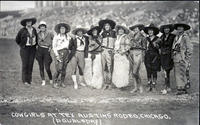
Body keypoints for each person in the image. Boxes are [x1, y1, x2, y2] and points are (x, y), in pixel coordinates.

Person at [15, 17, 38, 86]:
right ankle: (25, 81)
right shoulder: (22, 30)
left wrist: (35, 45)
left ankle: (29, 80)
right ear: (25, 23)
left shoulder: (34, 29)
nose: (29, 23)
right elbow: (17, 39)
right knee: (25, 64)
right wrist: (22, 45)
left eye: (30, 22)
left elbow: (36, 38)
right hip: (25, 49)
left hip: (33, 49)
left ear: (31, 23)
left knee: (30, 64)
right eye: (27, 22)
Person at [172, 23, 193, 95]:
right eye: (178, 28)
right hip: (176, 56)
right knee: (177, 73)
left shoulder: (185, 37)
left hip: (182, 57)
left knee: (183, 73)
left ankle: (183, 89)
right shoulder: (176, 37)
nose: (179, 29)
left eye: (181, 28)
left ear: (184, 29)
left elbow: (189, 48)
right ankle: (180, 88)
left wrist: (186, 58)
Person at [52, 23, 74, 88]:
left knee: (64, 68)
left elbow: (72, 42)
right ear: (59, 29)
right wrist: (56, 55)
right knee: (59, 68)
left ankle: (62, 82)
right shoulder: (56, 37)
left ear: (65, 29)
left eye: (63, 28)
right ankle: (54, 82)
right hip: (59, 52)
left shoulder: (68, 37)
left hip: (66, 53)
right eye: (61, 28)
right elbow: (54, 46)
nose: (62, 30)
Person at [98, 19, 116, 89]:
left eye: (108, 25)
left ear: (110, 26)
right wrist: (101, 49)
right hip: (103, 50)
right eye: (105, 25)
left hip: (110, 51)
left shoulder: (114, 33)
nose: (107, 26)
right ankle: (105, 83)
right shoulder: (102, 34)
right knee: (104, 67)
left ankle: (110, 83)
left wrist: (113, 50)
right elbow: (100, 42)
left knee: (110, 67)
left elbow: (115, 42)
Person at [128, 24, 146, 93]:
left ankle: (140, 86)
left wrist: (143, 57)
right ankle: (135, 87)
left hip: (138, 53)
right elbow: (129, 45)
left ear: (139, 29)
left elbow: (144, 48)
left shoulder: (142, 37)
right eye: (134, 29)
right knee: (133, 72)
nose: (135, 30)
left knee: (135, 71)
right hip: (132, 53)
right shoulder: (132, 36)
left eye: (136, 29)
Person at [143, 23, 161, 92]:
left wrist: (156, 45)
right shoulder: (146, 39)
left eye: (151, 30)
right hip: (147, 56)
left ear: (154, 31)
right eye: (149, 30)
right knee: (148, 70)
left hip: (155, 56)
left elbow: (159, 48)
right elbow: (144, 47)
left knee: (154, 70)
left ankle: (154, 85)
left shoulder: (158, 39)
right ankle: (149, 84)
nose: (150, 32)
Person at [159, 24, 176, 94]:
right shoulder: (162, 36)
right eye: (165, 28)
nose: (166, 30)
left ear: (170, 29)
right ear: (163, 30)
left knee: (167, 71)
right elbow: (159, 45)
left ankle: (166, 87)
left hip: (169, 56)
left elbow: (174, 46)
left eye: (168, 28)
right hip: (163, 56)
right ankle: (168, 87)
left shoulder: (173, 36)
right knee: (165, 71)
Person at [112, 24, 131, 88]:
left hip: (122, 55)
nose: (120, 31)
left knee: (123, 69)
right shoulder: (117, 37)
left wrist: (123, 51)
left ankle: (123, 84)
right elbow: (115, 46)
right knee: (117, 69)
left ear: (124, 31)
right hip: (116, 55)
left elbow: (128, 46)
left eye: (122, 30)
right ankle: (118, 83)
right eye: (119, 30)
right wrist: (114, 51)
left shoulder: (126, 37)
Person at [36, 21, 54, 86]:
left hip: (47, 50)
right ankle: (43, 80)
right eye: (41, 26)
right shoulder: (37, 34)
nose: (42, 27)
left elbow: (54, 40)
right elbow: (35, 42)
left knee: (47, 67)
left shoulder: (49, 33)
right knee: (41, 67)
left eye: (43, 26)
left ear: (45, 27)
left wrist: (51, 47)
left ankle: (51, 79)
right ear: (39, 27)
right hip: (40, 50)